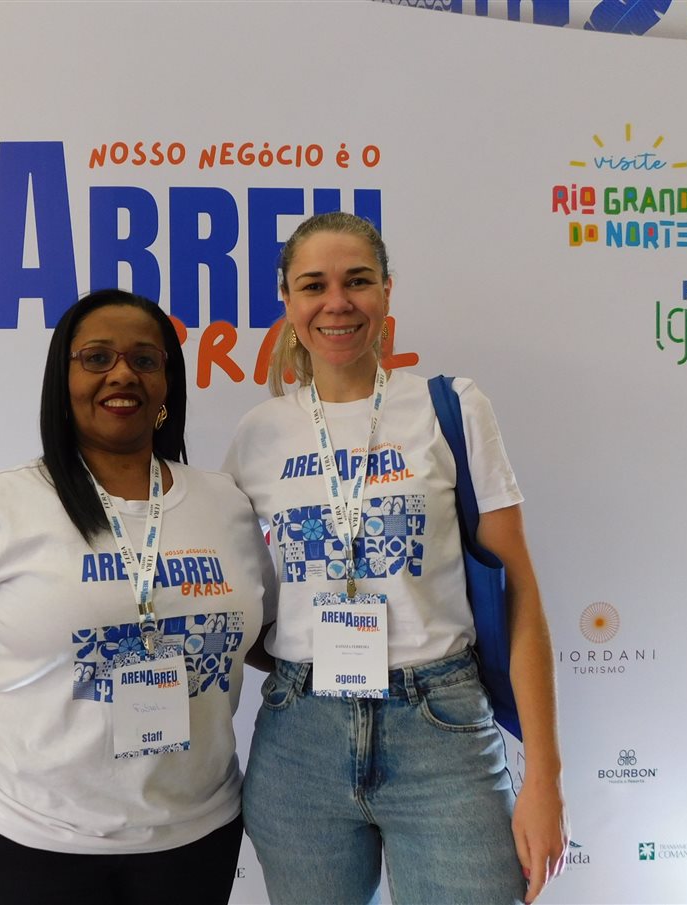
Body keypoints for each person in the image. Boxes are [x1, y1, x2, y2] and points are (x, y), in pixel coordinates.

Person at [223, 212, 568, 905]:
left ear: (386, 291)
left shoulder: (451, 408)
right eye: (313, 284)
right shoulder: (259, 433)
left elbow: (520, 598)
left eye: (357, 281)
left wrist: (546, 778)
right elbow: (245, 604)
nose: (337, 302)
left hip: (440, 729)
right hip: (301, 735)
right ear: (287, 301)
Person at [0, 288, 276, 905]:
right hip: (23, 843)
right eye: (96, 357)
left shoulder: (225, 502)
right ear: (62, 378)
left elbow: (259, 636)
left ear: (167, 385)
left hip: (193, 841)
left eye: (145, 360)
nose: (122, 372)